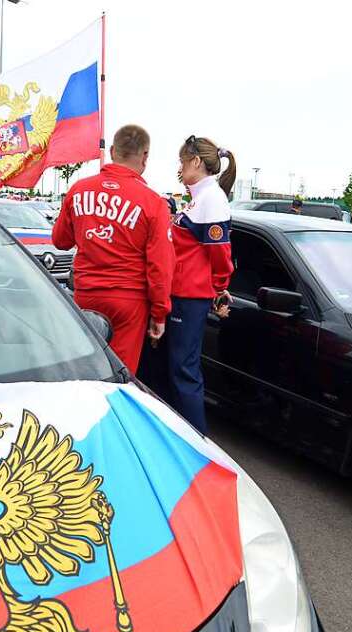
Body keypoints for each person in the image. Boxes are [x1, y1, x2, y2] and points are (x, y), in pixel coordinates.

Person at [52, 124, 174, 372]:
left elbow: (60, 240)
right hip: (128, 302)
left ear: (112, 151)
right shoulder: (154, 203)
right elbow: (160, 265)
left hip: (86, 294)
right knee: (119, 374)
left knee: (85, 368)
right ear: (145, 155)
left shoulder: (79, 190)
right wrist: (160, 313)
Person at [148, 135, 235, 434]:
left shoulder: (212, 198)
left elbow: (221, 253)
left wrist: (219, 286)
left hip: (189, 296)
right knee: (168, 369)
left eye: (182, 162)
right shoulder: (201, 197)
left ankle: (196, 442)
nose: (180, 168)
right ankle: (172, 433)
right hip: (180, 293)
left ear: (196, 161)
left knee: (183, 372)